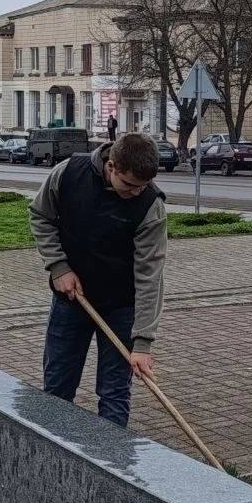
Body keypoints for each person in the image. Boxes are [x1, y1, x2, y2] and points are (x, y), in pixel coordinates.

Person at [29, 133, 167, 428]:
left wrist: (142, 344)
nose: (136, 192)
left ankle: (112, 455)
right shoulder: (68, 173)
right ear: (112, 166)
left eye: (143, 186)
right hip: (71, 300)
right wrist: (59, 267)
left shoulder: (150, 206)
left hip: (121, 307)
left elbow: (150, 276)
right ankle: (51, 448)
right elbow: (41, 216)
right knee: (57, 387)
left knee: (114, 393)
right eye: (129, 184)